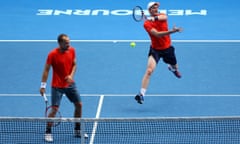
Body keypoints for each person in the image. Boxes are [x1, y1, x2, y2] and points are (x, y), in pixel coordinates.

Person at [39, 34, 88, 142]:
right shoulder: (52, 54)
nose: (68, 44)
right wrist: (43, 86)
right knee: (54, 110)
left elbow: (75, 64)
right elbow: (46, 70)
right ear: (60, 43)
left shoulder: (72, 50)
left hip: (70, 84)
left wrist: (71, 76)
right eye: (66, 43)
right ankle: (48, 131)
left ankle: (77, 130)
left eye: (69, 42)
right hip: (57, 86)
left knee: (79, 105)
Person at [135, 2, 183, 104]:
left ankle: (172, 68)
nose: (156, 9)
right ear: (149, 10)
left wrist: (153, 19)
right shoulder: (146, 24)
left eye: (156, 7)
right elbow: (157, 35)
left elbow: (163, 18)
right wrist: (172, 31)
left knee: (175, 66)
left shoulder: (163, 16)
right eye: (153, 7)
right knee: (149, 71)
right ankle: (141, 94)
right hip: (155, 50)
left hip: (167, 49)